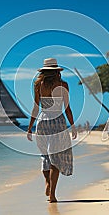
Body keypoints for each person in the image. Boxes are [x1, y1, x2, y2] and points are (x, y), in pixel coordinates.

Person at [27, 58, 77, 203]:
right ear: (57, 71)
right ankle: (53, 195)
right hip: (58, 122)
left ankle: (47, 182)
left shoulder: (38, 85)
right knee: (55, 158)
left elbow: (36, 107)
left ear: (43, 71)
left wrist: (30, 127)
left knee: (45, 156)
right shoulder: (63, 85)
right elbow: (67, 108)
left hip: (42, 121)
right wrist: (72, 125)